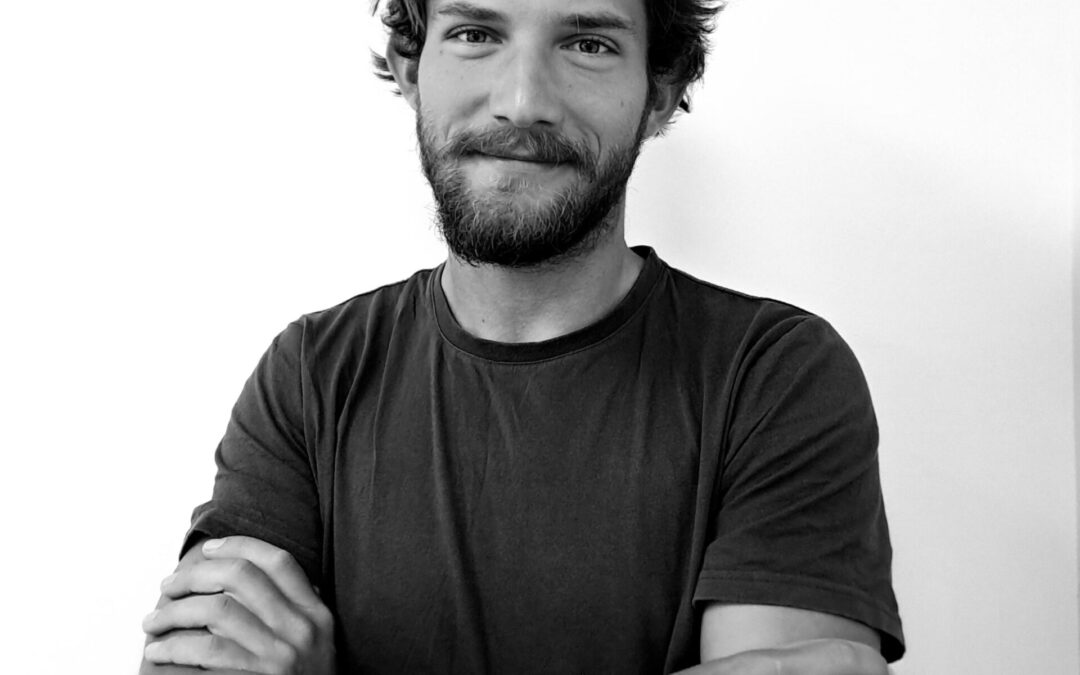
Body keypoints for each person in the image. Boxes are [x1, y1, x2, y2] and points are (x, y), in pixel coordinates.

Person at [140, 0, 905, 672]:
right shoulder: (311, 376)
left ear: (660, 91)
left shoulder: (773, 376)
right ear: (410, 68)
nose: (522, 101)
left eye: (588, 43)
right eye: (476, 33)